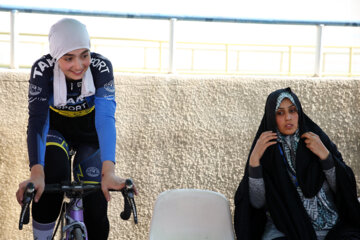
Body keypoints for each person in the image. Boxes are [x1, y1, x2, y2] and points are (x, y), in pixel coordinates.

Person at [15, 18, 136, 240]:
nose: (79, 65)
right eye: (68, 58)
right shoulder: (43, 70)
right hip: (55, 132)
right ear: (55, 56)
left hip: (90, 135)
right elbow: (38, 121)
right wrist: (36, 172)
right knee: (50, 181)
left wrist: (108, 172)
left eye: (84, 55)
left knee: (97, 205)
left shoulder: (101, 67)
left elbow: (106, 118)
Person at [234, 87, 360, 240]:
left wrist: (326, 157)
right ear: (271, 117)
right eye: (280, 113)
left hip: (331, 227)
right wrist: (254, 163)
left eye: (292, 111)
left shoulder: (317, 140)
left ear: (299, 113)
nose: (288, 117)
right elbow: (257, 203)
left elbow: (343, 189)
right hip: (285, 228)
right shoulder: (266, 150)